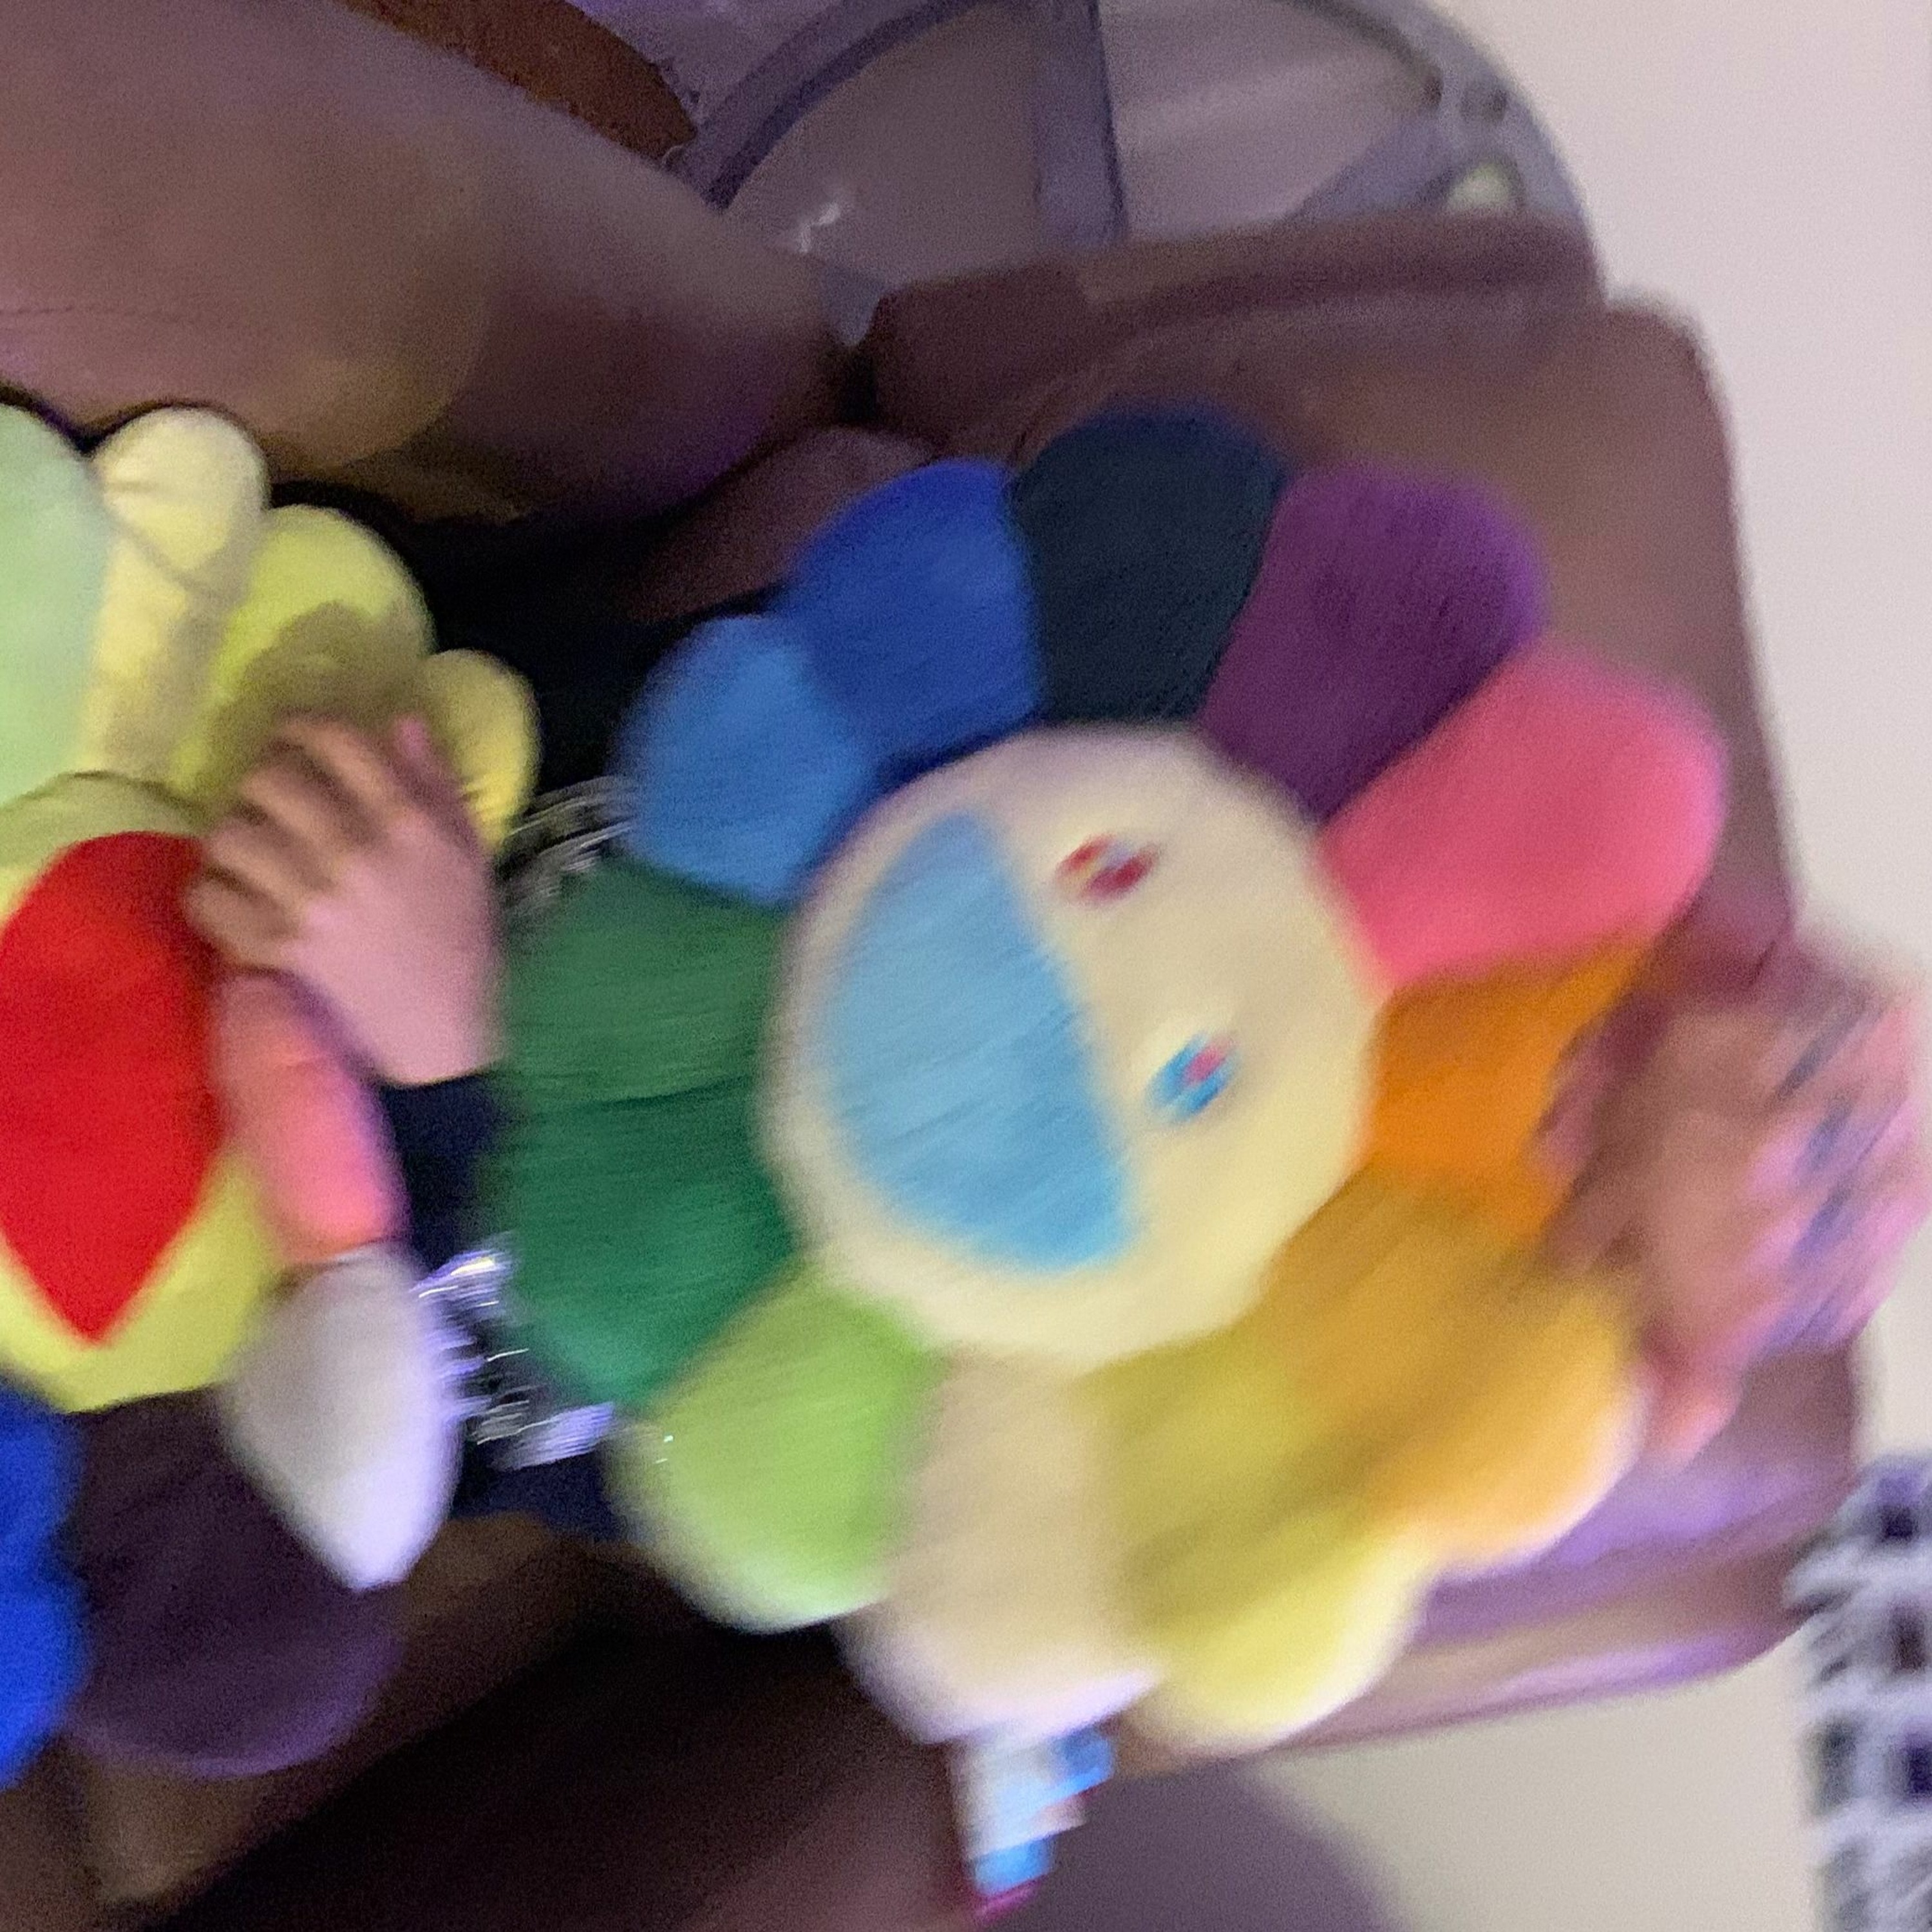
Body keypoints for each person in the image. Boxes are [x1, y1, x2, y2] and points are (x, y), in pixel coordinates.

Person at [186, 714, 1927, 1485]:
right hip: (495, 887)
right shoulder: (1432, 814)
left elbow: (649, 1413)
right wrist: (505, 992)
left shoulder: (1435, 1399)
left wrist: (481, 1054)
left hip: (379, 1271)